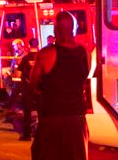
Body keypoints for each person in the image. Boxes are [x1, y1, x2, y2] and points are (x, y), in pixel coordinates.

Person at [28, 11, 90, 160]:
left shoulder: (46, 54)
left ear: (55, 30)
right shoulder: (85, 53)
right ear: (74, 29)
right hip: (77, 117)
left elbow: (33, 83)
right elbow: (84, 78)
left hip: (52, 117)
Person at [14, 38, 40, 140]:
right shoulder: (41, 57)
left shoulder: (25, 58)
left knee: (27, 112)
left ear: (29, 46)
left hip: (27, 88)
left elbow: (18, 73)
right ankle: (41, 134)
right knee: (41, 112)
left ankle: (27, 135)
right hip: (40, 88)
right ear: (37, 45)